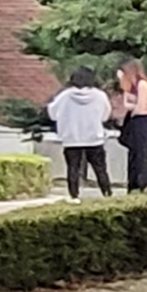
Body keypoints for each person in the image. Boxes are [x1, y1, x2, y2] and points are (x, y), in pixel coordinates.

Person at [44, 69, 113, 198]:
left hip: (71, 138)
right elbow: (105, 115)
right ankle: (107, 193)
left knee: (73, 168)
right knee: (100, 168)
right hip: (94, 137)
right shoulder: (100, 95)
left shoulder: (65, 96)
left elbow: (52, 113)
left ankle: (74, 195)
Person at [111, 57, 147, 193]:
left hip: (145, 121)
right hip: (137, 121)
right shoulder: (132, 87)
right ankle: (133, 184)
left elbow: (140, 108)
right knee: (134, 155)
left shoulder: (142, 85)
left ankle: (143, 184)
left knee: (144, 154)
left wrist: (133, 107)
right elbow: (127, 105)